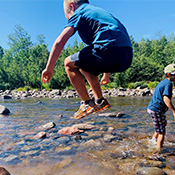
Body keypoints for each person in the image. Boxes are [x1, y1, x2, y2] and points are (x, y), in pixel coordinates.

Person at [41, 0, 133, 120]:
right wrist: (106, 74)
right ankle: (100, 101)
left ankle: (86, 103)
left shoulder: (80, 12)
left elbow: (60, 42)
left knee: (68, 63)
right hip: (126, 56)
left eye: (67, 16)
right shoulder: (98, 14)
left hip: (108, 50)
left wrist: (49, 68)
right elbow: (112, 41)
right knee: (83, 63)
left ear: (71, 6)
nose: (69, 18)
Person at [147, 64, 175, 153]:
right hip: (156, 110)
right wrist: (174, 111)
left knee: (163, 124)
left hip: (153, 108)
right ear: (169, 74)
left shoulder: (163, 82)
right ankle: (158, 151)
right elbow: (166, 98)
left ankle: (153, 140)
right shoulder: (168, 83)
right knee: (162, 132)